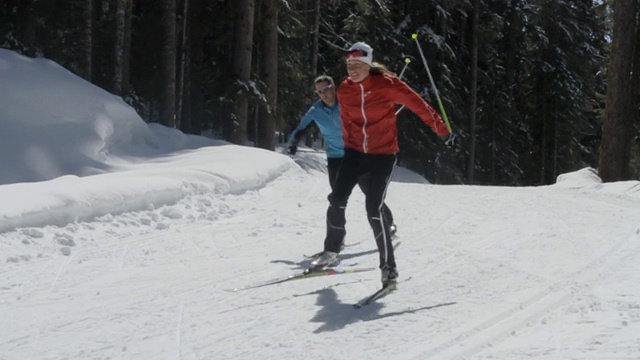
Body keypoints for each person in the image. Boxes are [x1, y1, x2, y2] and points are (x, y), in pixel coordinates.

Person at [308, 41, 456, 288]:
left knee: (373, 208)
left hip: (382, 155)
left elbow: (418, 104)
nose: (352, 70)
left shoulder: (388, 85)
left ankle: (389, 268)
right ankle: (331, 250)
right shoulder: (345, 89)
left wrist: (443, 130)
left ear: (367, 64)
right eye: (348, 65)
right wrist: (350, 143)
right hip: (354, 154)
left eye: (357, 65)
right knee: (336, 199)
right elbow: (346, 121)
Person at [287, 75, 397, 242]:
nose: (323, 94)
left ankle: (387, 224)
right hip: (335, 159)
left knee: (370, 193)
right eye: (319, 91)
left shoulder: (348, 102)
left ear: (333, 87)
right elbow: (301, 128)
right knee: (337, 200)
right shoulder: (315, 111)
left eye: (325, 89)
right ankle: (338, 236)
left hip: (357, 155)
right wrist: (294, 142)